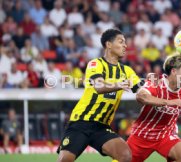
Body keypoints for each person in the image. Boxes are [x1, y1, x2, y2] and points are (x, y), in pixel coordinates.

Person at [56, 29, 143, 162]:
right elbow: (99, 86)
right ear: (108, 45)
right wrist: (120, 84)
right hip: (81, 122)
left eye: (125, 42)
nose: (125, 45)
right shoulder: (95, 64)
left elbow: (143, 91)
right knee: (65, 160)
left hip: (101, 127)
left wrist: (166, 93)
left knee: (125, 155)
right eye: (121, 42)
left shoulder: (127, 71)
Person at [127, 54, 181, 162]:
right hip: (142, 135)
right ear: (174, 71)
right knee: (125, 158)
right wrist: (169, 102)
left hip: (165, 135)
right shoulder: (156, 83)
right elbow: (141, 96)